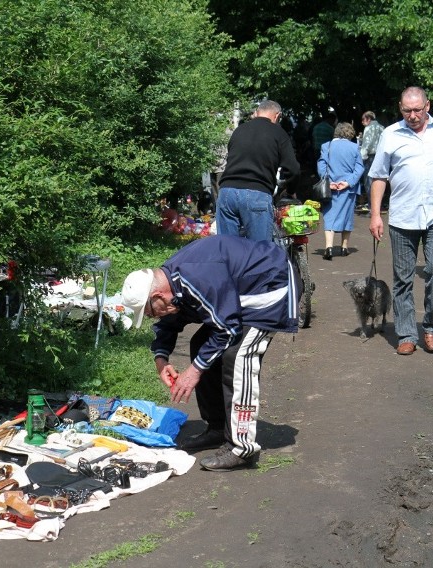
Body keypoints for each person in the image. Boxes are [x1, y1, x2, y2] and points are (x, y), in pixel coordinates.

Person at [121, 235, 302, 471]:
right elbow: (169, 323)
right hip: (239, 295)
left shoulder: (195, 278)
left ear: (158, 296)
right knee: (200, 346)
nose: (151, 317)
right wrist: (161, 359)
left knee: (238, 356)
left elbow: (227, 329)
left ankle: (241, 447)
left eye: (149, 312)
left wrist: (194, 371)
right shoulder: (170, 284)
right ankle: (218, 427)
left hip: (271, 286)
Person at [368, 86, 433, 355]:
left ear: (427, 105)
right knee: (402, 278)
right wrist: (376, 215)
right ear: (400, 108)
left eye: (417, 109)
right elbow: (378, 176)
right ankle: (406, 334)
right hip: (403, 216)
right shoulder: (390, 134)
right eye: (407, 110)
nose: (413, 115)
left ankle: (432, 326)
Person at [216, 100, 300, 242]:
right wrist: (290, 190)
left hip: (226, 193)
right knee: (260, 251)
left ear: (257, 112)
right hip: (256, 194)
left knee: (227, 248)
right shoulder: (278, 133)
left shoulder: (239, 130)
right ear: (277, 115)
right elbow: (293, 169)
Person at [317, 122, 365, 259]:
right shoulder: (355, 147)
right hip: (349, 189)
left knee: (329, 215)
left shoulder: (327, 146)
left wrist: (328, 181)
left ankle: (329, 247)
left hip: (330, 187)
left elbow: (322, 165)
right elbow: (359, 168)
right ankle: (344, 247)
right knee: (347, 216)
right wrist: (348, 182)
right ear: (350, 133)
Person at [358, 110, 384, 211]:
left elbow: (366, 146)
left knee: (368, 182)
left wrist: (361, 159)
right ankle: (378, 206)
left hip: (370, 157)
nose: (362, 122)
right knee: (379, 181)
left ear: (368, 119)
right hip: (380, 157)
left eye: (363, 119)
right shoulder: (382, 128)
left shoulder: (368, 128)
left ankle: (371, 207)